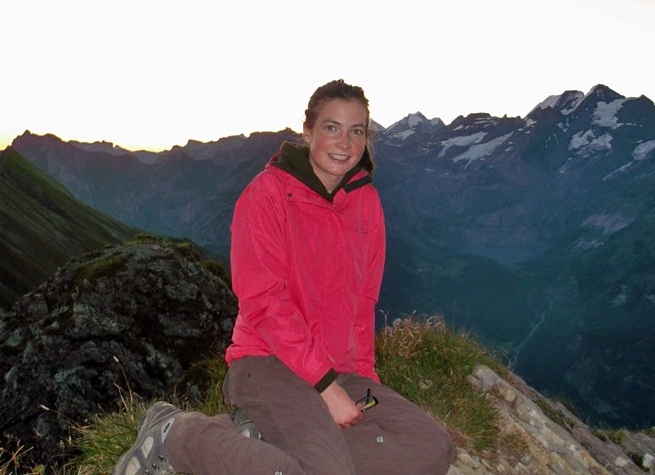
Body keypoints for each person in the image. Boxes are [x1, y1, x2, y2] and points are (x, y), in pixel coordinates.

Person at [113, 79, 454, 475]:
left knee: (431, 448)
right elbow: (264, 302)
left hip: (338, 368)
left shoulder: (365, 203)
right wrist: (326, 388)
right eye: (331, 127)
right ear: (308, 131)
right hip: (267, 363)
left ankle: (264, 441)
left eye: (356, 131)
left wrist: (362, 381)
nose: (344, 142)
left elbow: (362, 304)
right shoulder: (267, 196)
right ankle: (177, 432)